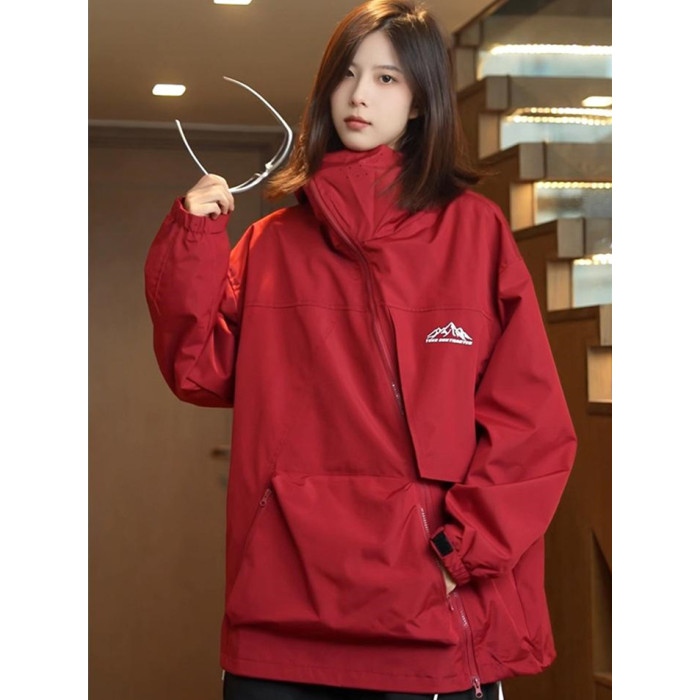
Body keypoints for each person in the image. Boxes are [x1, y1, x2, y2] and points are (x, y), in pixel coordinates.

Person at [143, 1, 577, 699]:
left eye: (386, 78)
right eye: (347, 74)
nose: (359, 94)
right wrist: (192, 243)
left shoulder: (475, 234)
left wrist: (459, 554)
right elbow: (199, 368)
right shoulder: (272, 245)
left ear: (421, 101)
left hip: (431, 623)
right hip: (279, 624)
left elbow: (532, 427)